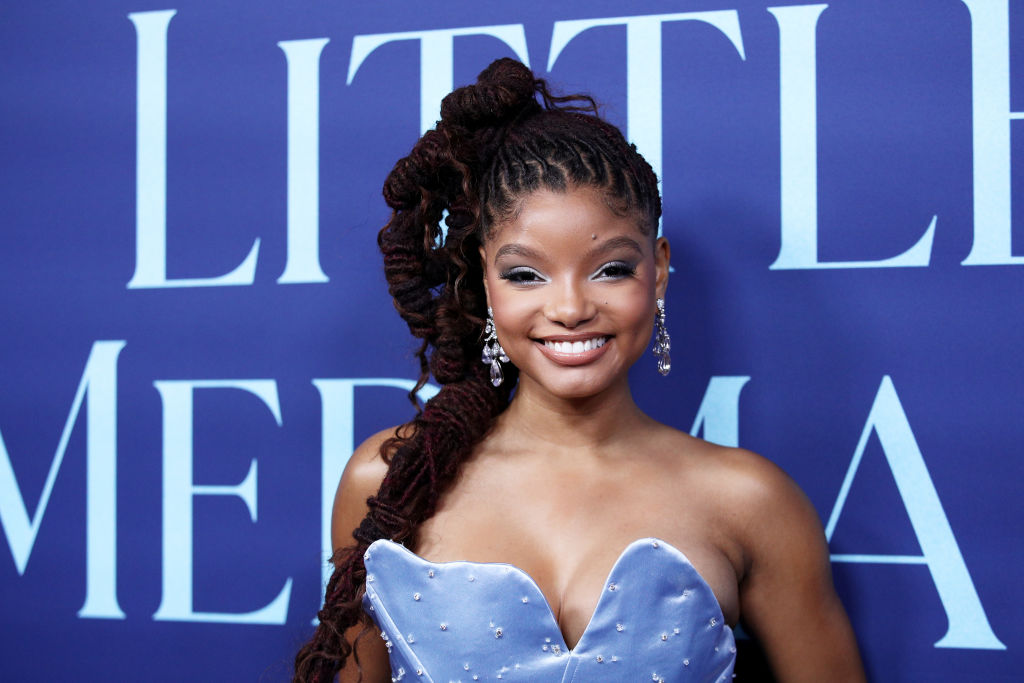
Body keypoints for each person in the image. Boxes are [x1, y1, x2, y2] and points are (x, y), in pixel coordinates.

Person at [294, 58, 865, 682]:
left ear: (660, 269)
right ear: (485, 282)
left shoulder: (752, 502)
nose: (569, 308)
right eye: (524, 274)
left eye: (611, 268)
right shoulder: (391, 481)